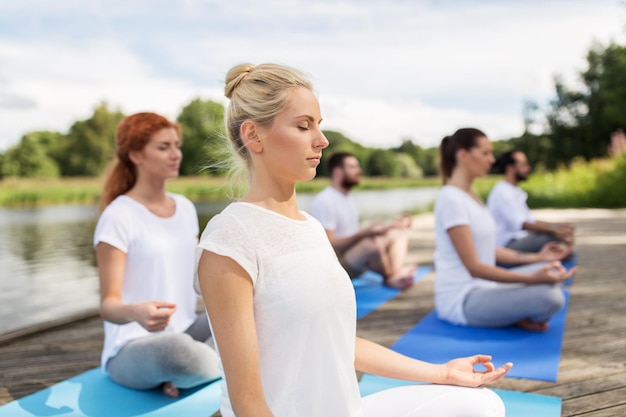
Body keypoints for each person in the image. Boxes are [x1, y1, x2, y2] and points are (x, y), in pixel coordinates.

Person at [195, 63, 512, 417]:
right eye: (304, 126)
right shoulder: (229, 238)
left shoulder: (311, 227)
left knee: (481, 404)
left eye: (319, 124)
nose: (322, 139)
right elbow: (247, 403)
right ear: (254, 136)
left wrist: (443, 373)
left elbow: (339, 343)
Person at [93, 112, 220, 398]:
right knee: (174, 353)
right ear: (136, 155)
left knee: (254, 311)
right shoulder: (118, 216)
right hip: (133, 346)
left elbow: (200, 275)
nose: (175, 154)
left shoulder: (185, 208)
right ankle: (195, 368)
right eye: (163, 147)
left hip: (186, 329)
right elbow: (108, 305)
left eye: (177, 145)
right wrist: (136, 312)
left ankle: (193, 372)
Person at [435, 128, 577, 332]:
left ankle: (509, 312)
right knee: (551, 297)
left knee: (553, 269)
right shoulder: (451, 198)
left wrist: (538, 259)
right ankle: (509, 313)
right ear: (463, 155)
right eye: (485, 153)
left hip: (487, 287)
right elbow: (474, 267)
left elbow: (489, 250)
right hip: (463, 298)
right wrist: (531, 279)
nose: (491, 160)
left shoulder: (472, 196)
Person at [308, 152, 416, 289]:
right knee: (373, 245)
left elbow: (350, 235)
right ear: (337, 172)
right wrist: (365, 233)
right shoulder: (325, 201)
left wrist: (385, 228)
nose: (359, 171)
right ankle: (394, 276)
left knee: (397, 233)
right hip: (335, 264)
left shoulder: (347, 199)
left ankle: (394, 275)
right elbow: (330, 246)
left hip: (351, 254)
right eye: (352, 167)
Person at [487, 150, 575, 252]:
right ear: (510, 168)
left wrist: (559, 226)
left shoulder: (514, 190)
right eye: (523, 165)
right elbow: (523, 224)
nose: (527, 168)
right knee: (550, 237)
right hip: (505, 245)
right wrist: (554, 229)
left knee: (559, 235)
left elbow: (531, 220)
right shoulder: (502, 192)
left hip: (518, 240)